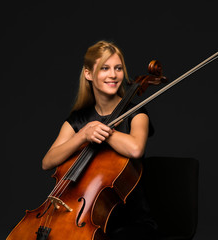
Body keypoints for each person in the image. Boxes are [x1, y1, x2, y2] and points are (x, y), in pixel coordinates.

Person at [41, 40, 158, 240]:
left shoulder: (136, 114)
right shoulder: (79, 120)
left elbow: (136, 149)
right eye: (105, 68)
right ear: (88, 74)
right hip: (84, 216)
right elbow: (48, 161)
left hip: (130, 222)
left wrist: (106, 132)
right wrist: (82, 135)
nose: (113, 75)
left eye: (118, 68)